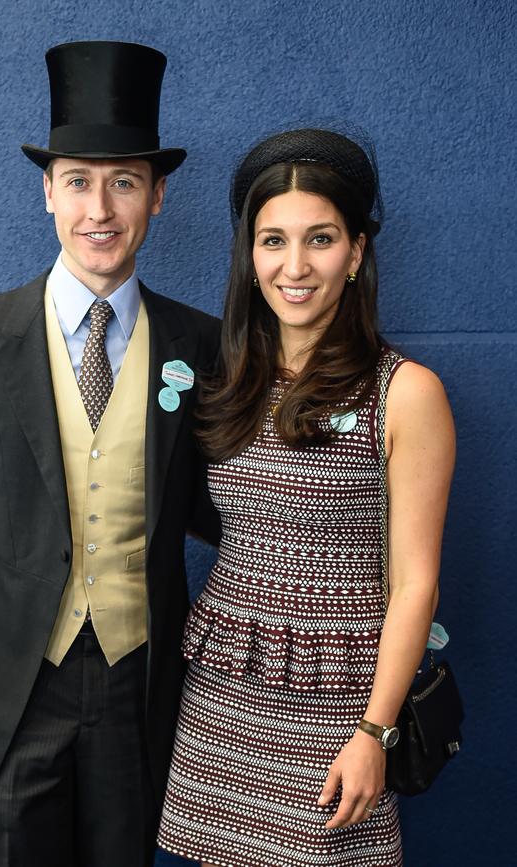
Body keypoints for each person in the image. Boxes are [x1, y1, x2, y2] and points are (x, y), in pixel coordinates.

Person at [0, 40, 220, 867]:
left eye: (124, 183)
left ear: (158, 197)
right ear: (48, 192)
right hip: (14, 683)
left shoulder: (202, 342)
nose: (100, 210)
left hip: (139, 678)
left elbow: (227, 504)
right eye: (78, 181)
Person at [157, 127, 455, 866]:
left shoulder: (405, 393)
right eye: (272, 241)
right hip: (223, 695)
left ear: (356, 253)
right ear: (249, 254)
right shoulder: (228, 382)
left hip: (340, 712)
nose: (295, 266)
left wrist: (375, 732)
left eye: (320, 239)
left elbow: (415, 584)